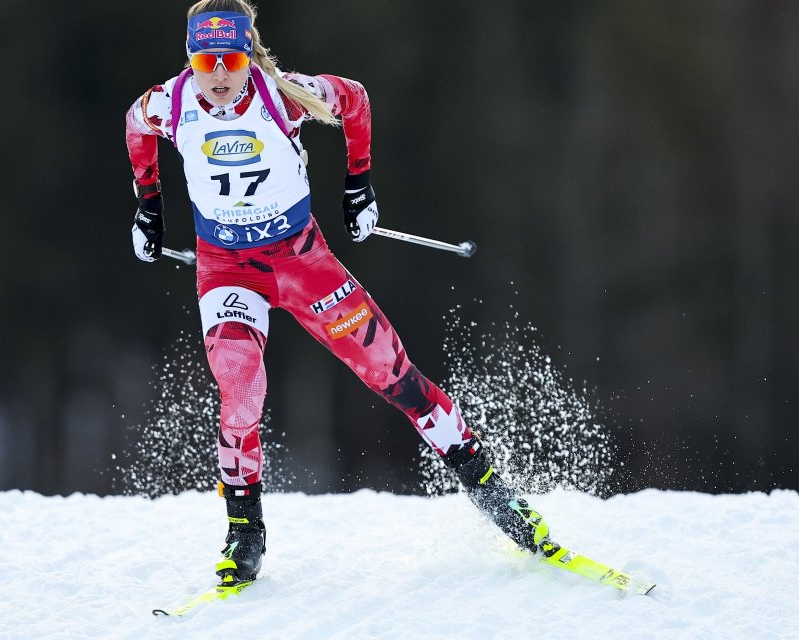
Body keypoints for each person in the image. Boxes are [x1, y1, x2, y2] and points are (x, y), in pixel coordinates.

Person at [125, 0, 560, 588]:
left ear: (249, 56)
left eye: (231, 58)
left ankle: (495, 494)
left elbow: (354, 97)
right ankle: (243, 533)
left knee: (392, 374)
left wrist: (359, 185)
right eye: (207, 60)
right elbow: (134, 127)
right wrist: (148, 210)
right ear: (190, 59)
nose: (220, 74)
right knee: (240, 383)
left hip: (302, 262)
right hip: (227, 266)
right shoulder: (170, 102)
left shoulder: (282, 95)